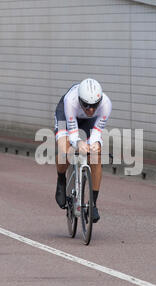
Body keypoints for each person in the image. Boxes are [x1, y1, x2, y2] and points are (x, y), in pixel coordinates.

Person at [54, 78, 112, 223]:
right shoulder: (70, 101)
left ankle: (93, 204)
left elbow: (97, 133)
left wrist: (93, 145)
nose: (90, 109)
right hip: (67, 116)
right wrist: (79, 143)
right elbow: (73, 133)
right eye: (86, 105)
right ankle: (61, 180)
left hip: (89, 121)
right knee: (64, 150)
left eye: (94, 106)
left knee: (96, 155)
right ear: (80, 100)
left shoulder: (106, 104)